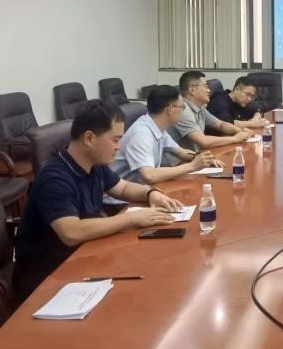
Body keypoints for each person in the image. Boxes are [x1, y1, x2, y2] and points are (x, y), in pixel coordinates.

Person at [13, 100, 184, 304]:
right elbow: (71, 232)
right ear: (89, 138)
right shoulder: (54, 178)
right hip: (48, 277)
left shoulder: (94, 164)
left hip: (84, 256)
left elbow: (122, 188)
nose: (119, 147)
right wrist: (133, 219)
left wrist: (151, 193)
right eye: (115, 140)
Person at [111, 85, 222, 185]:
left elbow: (180, 152)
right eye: (182, 107)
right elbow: (149, 175)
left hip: (142, 188)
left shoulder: (157, 127)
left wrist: (202, 158)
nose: (183, 111)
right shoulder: (141, 135)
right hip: (121, 198)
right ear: (170, 109)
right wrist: (192, 166)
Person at [166, 71, 252, 163]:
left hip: (194, 159)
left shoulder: (200, 108)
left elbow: (221, 125)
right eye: (205, 86)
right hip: (177, 165)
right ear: (192, 89)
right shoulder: (182, 110)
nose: (209, 90)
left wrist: (241, 132)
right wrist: (235, 139)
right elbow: (203, 141)